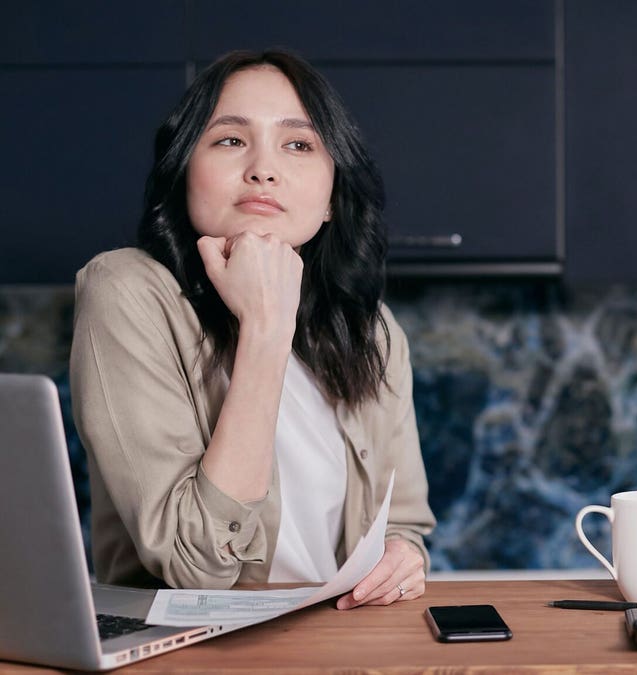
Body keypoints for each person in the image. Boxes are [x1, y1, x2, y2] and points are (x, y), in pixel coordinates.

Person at [70, 50, 435, 610]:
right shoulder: (126, 290)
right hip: (186, 652)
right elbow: (196, 564)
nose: (263, 168)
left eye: (298, 145)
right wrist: (265, 327)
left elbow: (405, 523)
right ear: (184, 171)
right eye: (230, 140)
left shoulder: (374, 331)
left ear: (333, 197)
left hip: (334, 643)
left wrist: (403, 557)